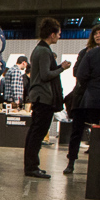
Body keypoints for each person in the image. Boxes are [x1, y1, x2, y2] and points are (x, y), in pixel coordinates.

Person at [22, 18, 71, 179]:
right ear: (52, 34)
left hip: (41, 97)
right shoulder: (43, 51)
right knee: (37, 133)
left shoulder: (41, 49)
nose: (59, 37)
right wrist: (61, 68)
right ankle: (31, 167)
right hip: (43, 97)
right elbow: (45, 75)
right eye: (58, 34)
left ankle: (32, 165)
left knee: (35, 132)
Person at [65, 24, 100, 173]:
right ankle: (71, 162)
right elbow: (77, 72)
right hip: (81, 96)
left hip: (99, 97)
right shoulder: (84, 52)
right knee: (76, 130)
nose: (98, 35)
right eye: (96, 33)